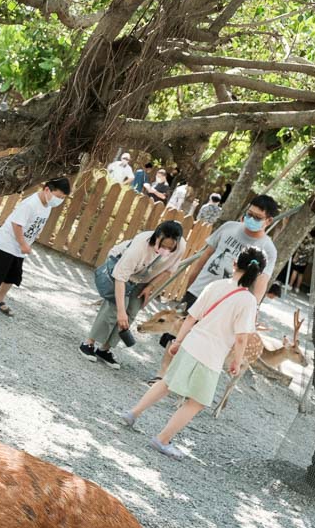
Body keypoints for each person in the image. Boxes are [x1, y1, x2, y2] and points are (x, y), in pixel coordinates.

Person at [121, 247, 265, 459]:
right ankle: (161, 439)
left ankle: (132, 413)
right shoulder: (249, 301)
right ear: (258, 274)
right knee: (197, 401)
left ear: (235, 263)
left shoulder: (215, 285)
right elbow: (241, 336)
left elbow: (190, 317)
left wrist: (178, 341)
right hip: (212, 355)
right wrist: (236, 360)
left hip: (192, 343)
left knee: (167, 383)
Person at [149, 194, 280, 383]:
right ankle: (161, 375)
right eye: (249, 214)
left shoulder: (268, 249)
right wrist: (191, 283)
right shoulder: (228, 228)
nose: (251, 219)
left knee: (205, 342)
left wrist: (253, 309)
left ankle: (181, 381)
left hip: (227, 303)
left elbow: (261, 283)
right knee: (177, 332)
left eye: (257, 217)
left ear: (268, 221)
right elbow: (205, 256)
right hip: (200, 290)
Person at [79, 221, 186, 369]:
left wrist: (150, 287)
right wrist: (121, 311)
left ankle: (105, 349)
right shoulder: (139, 247)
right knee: (115, 308)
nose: (166, 250)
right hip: (122, 271)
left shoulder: (180, 246)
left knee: (132, 312)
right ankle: (88, 344)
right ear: (158, 236)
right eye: (163, 245)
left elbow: (169, 270)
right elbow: (120, 278)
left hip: (146, 277)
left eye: (170, 247)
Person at [0, 178, 71, 316]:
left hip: (20, 248)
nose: (59, 200)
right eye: (58, 196)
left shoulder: (48, 205)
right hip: (6, 243)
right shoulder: (31, 204)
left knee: (11, 276)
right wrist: (22, 244)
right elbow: (17, 224)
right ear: (47, 190)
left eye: (62, 198)